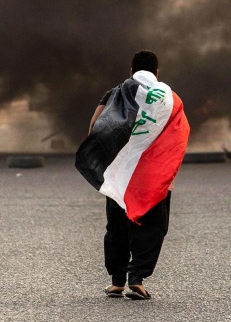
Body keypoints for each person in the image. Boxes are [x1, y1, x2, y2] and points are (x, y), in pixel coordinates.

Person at [75, 50, 190, 301]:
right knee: (151, 224)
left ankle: (117, 282)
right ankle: (136, 278)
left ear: (131, 71)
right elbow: (178, 134)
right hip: (150, 174)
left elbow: (96, 126)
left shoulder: (116, 92)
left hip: (120, 171)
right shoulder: (169, 99)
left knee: (116, 223)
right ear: (157, 73)